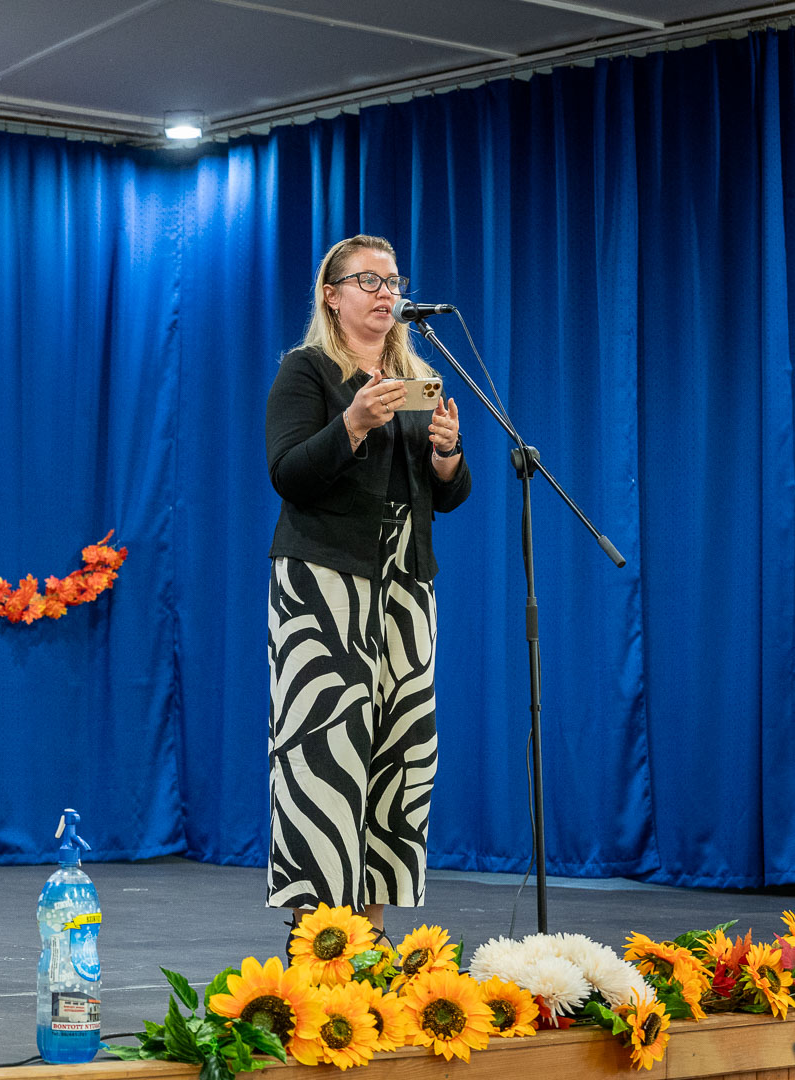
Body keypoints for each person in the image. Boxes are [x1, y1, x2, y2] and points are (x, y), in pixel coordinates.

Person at [264, 234, 471, 941]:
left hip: (405, 583)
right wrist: (351, 423)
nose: (387, 293)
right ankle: (318, 941)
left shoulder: (417, 375)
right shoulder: (307, 371)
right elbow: (288, 474)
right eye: (369, 281)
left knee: (397, 752)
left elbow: (445, 496)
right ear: (332, 295)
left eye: (393, 281)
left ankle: (372, 941)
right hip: (323, 582)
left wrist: (446, 455)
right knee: (323, 751)